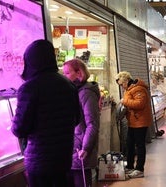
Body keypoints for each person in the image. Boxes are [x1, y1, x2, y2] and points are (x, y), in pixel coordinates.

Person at [11, 39, 80, 187]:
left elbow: (19, 129)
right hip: (63, 158)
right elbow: (77, 119)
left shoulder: (29, 88)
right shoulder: (68, 85)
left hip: (39, 161)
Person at [63, 58, 100, 187]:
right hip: (72, 147)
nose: (64, 76)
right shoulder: (73, 91)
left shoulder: (86, 93)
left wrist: (86, 147)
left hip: (81, 150)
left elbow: (92, 123)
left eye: (67, 73)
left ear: (79, 73)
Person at [115, 71, 152, 178]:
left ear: (126, 80)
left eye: (122, 84)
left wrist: (124, 101)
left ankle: (140, 169)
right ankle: (130, 166)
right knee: (129, 144)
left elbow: (140, 104)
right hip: (133, 121)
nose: (122, 87)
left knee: (140, 145)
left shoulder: (139, 89)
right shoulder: (129, 89)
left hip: (140, 121)